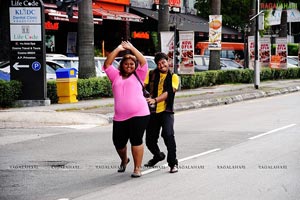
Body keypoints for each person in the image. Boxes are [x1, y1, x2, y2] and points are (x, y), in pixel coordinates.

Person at [103, 41, 150, 178]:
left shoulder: (139, 75)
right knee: (118, 143)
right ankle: (124, 160)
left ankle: (137, 168)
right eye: (126, 64)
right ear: (122, 65)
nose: (129, 66)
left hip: (139, 114)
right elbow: (107, 64)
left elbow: (143, 61)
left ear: (135, 66)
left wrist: (131, 48)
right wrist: (118, 49)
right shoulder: (115, 76)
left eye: (132, 64)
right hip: (120, 117)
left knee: (136, 140)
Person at [144, 52, 180, 173]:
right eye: (158, 64)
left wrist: (155, 99)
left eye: (163, 62)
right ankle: (158, 155)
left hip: (166, 111)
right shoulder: (151, 74)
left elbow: (169, 92)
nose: (161, 65)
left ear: (168, 62)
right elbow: (142, 87)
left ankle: (173, 163)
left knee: (168, 135)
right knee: (149, 140)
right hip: (152, 111)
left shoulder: (173, 77)